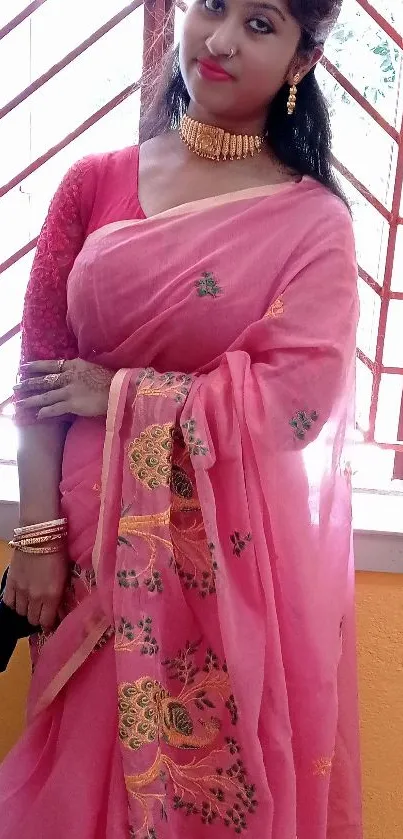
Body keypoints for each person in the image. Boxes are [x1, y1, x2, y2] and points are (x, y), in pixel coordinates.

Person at [0, 0, 362, 836]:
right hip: (86, 554)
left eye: (260, 24)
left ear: (301, 61)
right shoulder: (94, 182)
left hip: (222, 571)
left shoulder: (312, 224)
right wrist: (37, 538)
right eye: (211, 7)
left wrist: (119, 391)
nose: (221, 39)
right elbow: (40, 377)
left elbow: (295, 403)